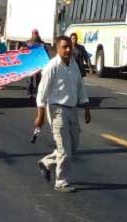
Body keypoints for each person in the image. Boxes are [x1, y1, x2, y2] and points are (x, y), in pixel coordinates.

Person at [34, 35, 91, 193]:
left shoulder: (74, 65)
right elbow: (42, 93)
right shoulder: (52, 67)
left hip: (72, 110)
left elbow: (80, 87)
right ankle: (61, 182)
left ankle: (46, 162)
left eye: (69, 47)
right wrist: (40, 116)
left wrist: (86, 108)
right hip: (57, 110)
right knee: (65, 150)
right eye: (64, 47)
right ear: (57, 49)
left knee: (72, 147)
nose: (67, 50)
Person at [23, 29, 45, 101]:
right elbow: (22, 51)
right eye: (34, 33)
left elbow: (45, 53)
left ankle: (39, 93)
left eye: (36, 33)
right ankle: (30, 93)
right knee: (30, 80)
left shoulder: (41, 43)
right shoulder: (27, 43)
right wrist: (23, 49)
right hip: (30, 64)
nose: (35, 35)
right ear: (32, 34)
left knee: (39, 80)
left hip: (38, 64)